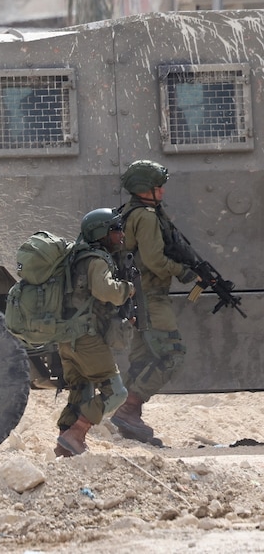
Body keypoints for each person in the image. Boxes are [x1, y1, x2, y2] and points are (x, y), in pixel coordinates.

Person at [109, 160, 202, 447]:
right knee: (172, 355)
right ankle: (127, 410)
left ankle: (128, 419)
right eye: (157, 186)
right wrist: (185, 272)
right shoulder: (147, 217)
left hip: (136, 296)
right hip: (150, 297)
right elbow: (154, 260)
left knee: (142, 359)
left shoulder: (128, 213)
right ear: (144, 189)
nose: (161, 191)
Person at [54, 209, 135, 457]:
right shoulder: (97, 259)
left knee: (81, 390)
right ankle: (76, 433)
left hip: (67, 339)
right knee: (117, 393)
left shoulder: (76, 258)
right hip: (87, 338)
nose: (120, 235)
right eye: (115, 230)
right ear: (101, 233)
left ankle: (65, 445)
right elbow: (104, 291)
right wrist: (127, 289)